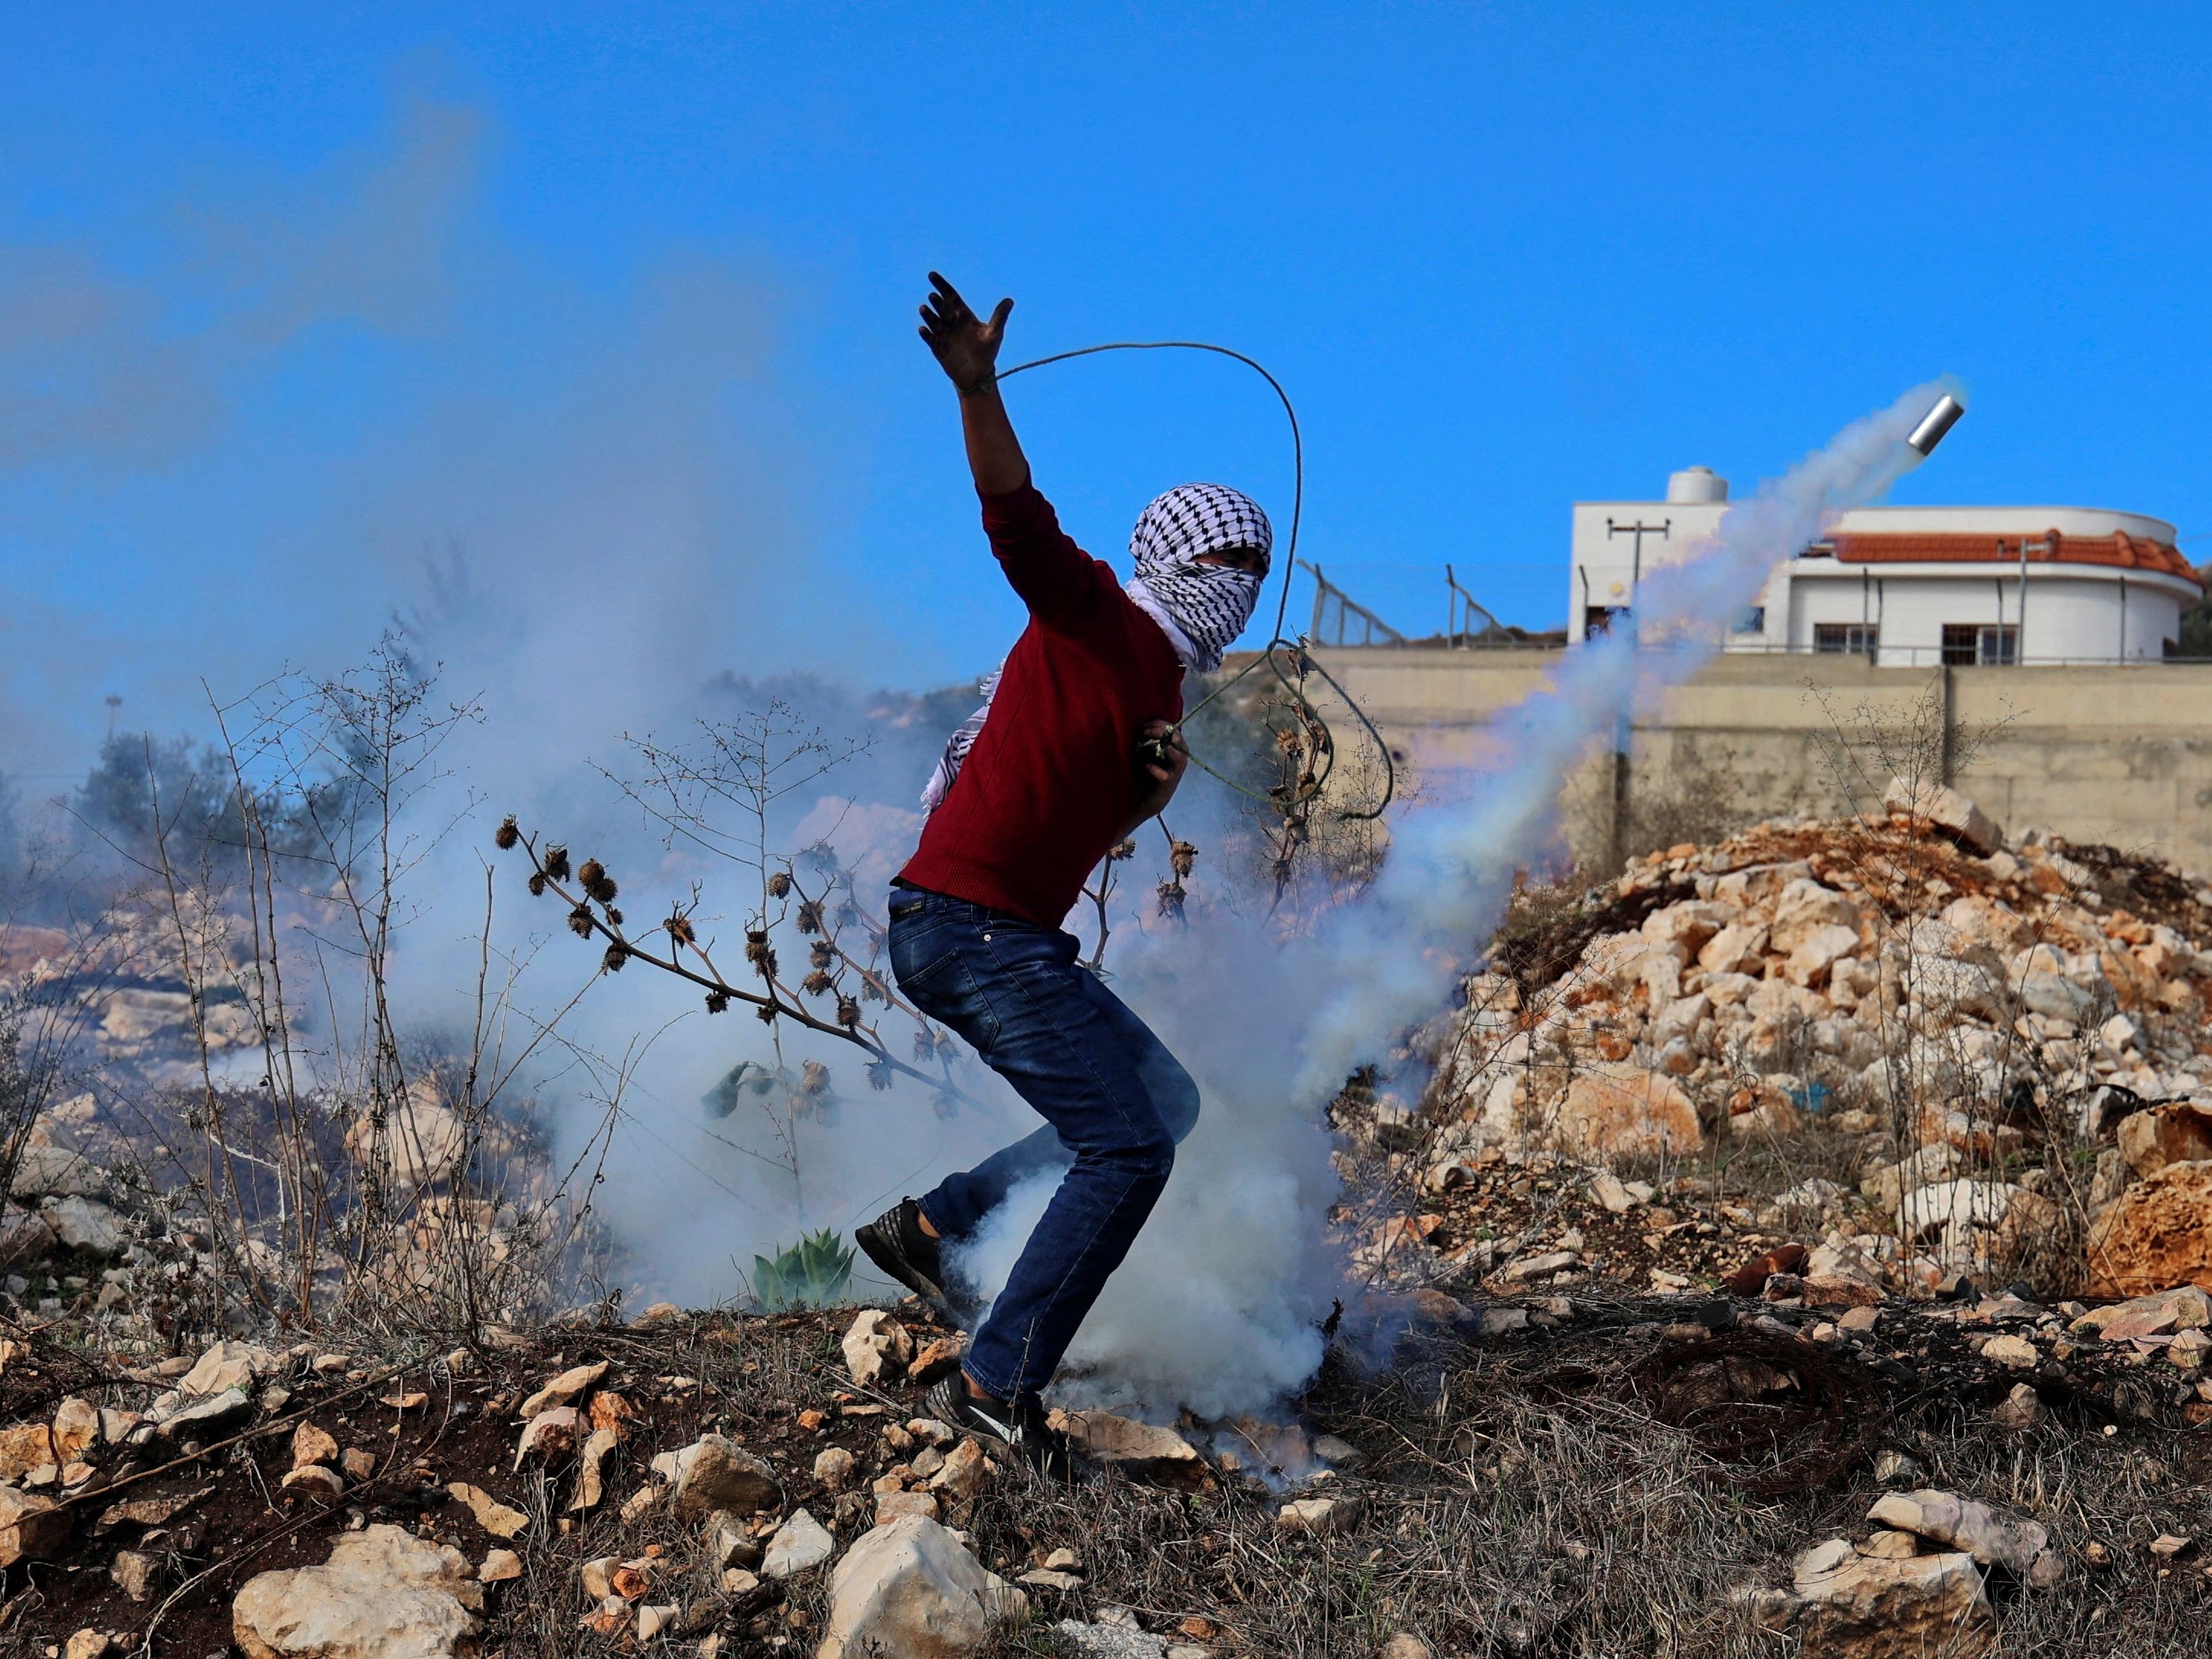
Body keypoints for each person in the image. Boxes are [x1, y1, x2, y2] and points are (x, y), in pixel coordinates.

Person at [857, 273, 1273, 1473]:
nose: (1240, 584)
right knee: (1129, 1149)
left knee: (1165, 1105)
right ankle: (996, 1383)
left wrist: (1152, 795)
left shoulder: (1159, 686)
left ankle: (940, 1224)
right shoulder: (1098, 617)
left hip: (1000, 935)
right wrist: (978, 390)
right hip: (964, 926)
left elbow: (1096, 813)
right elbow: (1014, 515)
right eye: (1230, 558)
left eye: (1250, 563)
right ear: (1183, 560)